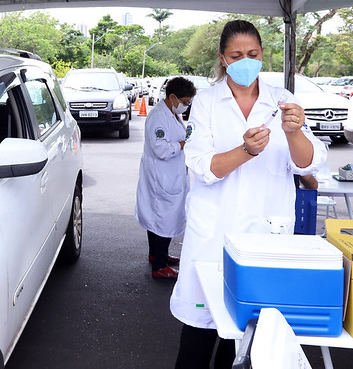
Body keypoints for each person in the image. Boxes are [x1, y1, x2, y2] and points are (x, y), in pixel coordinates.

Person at [170, 20, 326, 369]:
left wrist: (295, 132)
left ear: (262, 55)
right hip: (214, 233)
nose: (245, 60)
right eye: (236, 54)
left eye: (252, 54)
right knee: (198, 337)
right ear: (223, 58)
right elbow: (201, 165)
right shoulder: (208, 101)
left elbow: (308, 163)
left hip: (264, 234)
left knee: (246, 341)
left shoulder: (282, 101)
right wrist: (246, 151)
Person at [135, 76, 197, 280]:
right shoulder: (158, 117)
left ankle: (156, 255)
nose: (186, 106)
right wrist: (183, 144)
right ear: (173, 97)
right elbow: (161, 149)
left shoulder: (171, 113)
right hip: (161, 177)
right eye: (185, 102)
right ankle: (160, 266)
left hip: (169, 174)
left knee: (160, 218)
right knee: (164, 219)